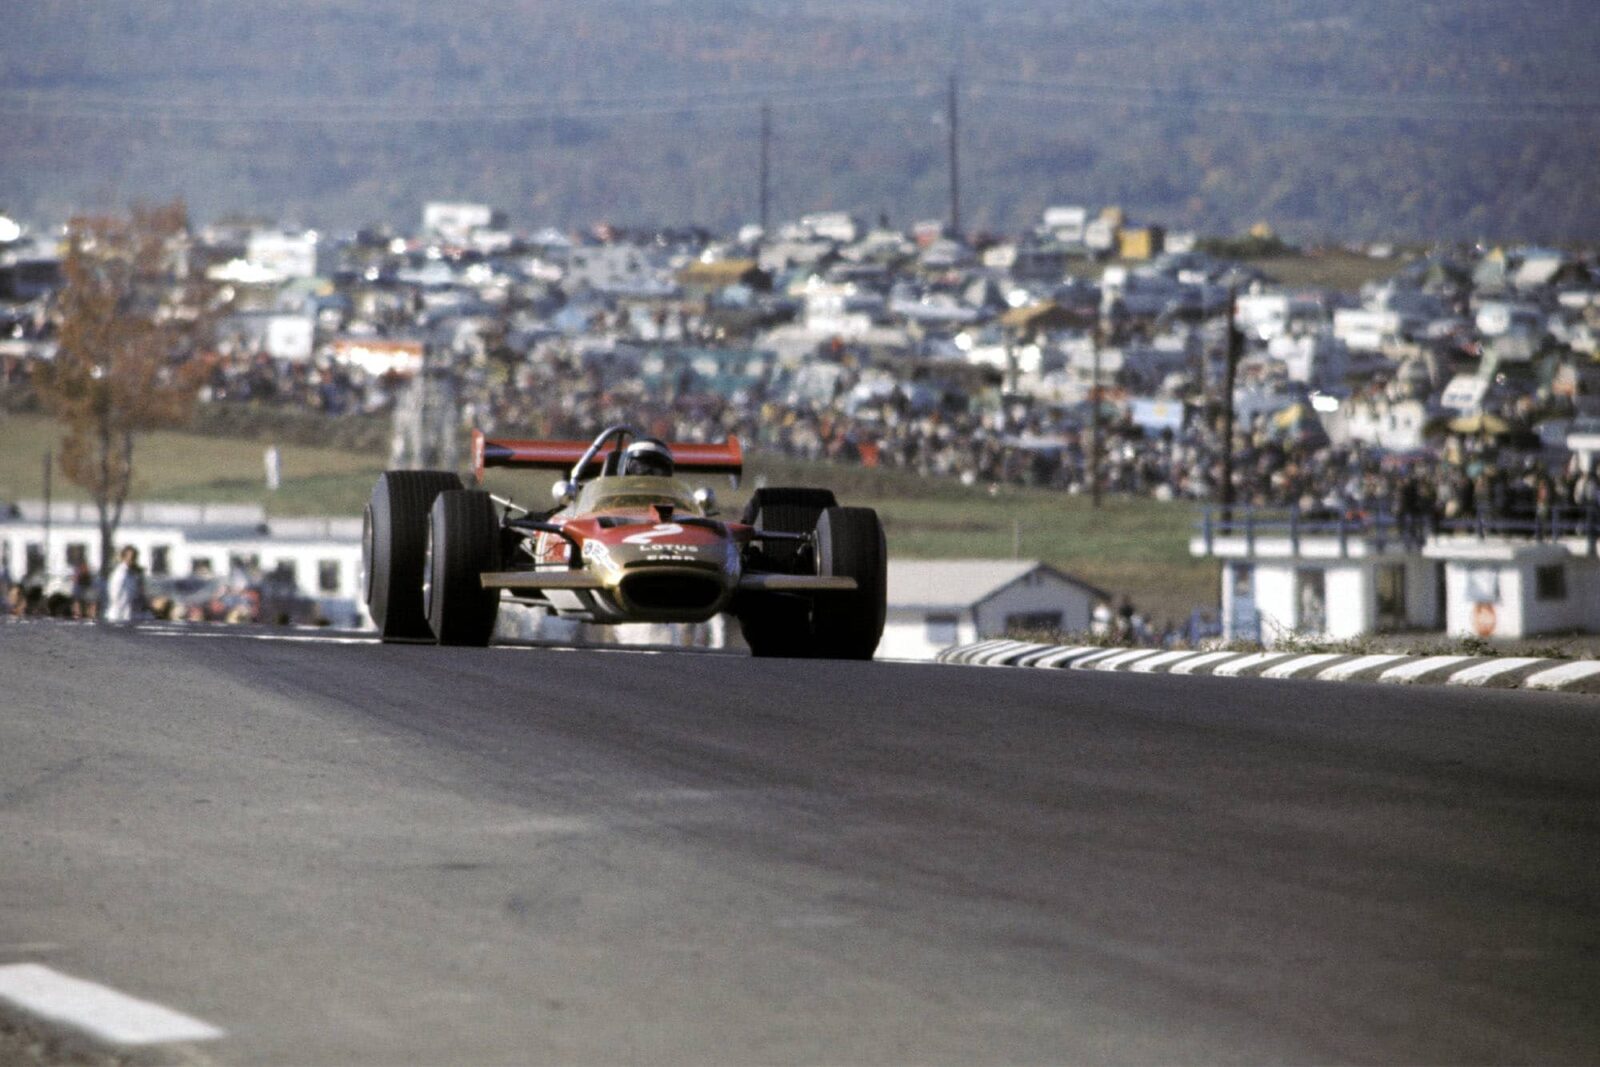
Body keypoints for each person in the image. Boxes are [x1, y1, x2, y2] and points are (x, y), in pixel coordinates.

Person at [104, 546, 146, 622]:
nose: (132, 560)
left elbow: (136, 591)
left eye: (134, 557)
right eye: (131, 557)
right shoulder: (119, 573)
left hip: (128, 612)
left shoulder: (132, 573)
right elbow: (114, 592)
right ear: (124, 557)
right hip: (118, 613)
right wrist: (119, 605)